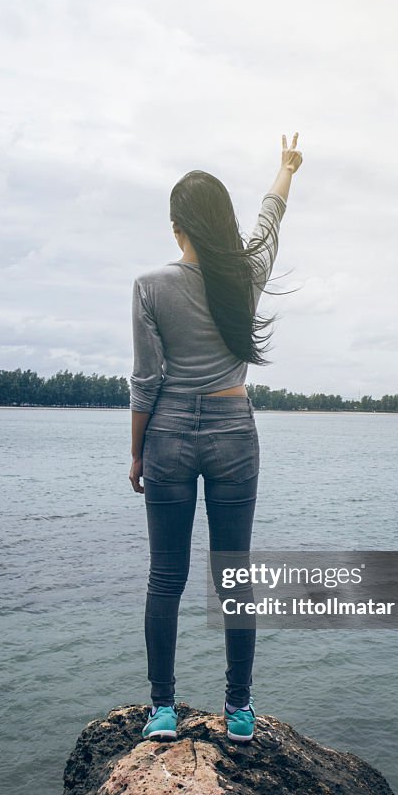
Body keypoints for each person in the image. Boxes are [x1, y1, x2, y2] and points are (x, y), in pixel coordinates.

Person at [129, 133, 303, 743]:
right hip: (234, 430)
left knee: (164, 577)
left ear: (177, 226)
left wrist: (135, 450)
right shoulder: (246, 274)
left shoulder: (150, 285)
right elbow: (270, 220)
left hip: (169, 434)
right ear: (222, 222)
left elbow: (146, 380)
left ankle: (162, 712)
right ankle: (238, 713)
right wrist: (286, 170)